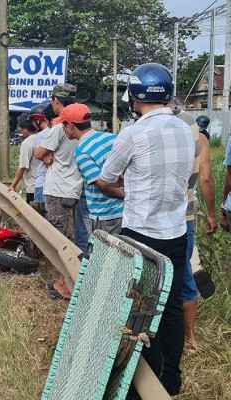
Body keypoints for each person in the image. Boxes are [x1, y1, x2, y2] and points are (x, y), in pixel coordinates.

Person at [99, 63, 194, 395]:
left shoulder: (133, 133)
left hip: (141, 235)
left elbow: (107, 177)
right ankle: (170, 380)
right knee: (170, 308)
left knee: (138, 310)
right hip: (177, 233)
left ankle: (142, 381)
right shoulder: (187, 129)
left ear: (135, 96)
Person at [169, 102, 218, 348]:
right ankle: (189, 338)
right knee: (186, 271)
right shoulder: (199, 140)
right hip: (186, 213)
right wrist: (211, 214)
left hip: (152, 217)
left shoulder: (147, 131)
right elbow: (206, 178)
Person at [35, 83, 83, 299]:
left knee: (61, 240)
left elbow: (39, 153)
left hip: (58, 189)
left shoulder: (60, 127)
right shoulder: (81, 126)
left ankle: (65, 286)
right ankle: (65, 282)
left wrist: (45, 155)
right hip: (73, 189)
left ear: (56, 101)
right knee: (70, 237)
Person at [57, 103, 124, 234]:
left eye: (63, 125)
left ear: (70, 125)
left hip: (105, 215)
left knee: (103, 254)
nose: (63, 129)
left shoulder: (82, 152)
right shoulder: (111, 138)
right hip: (126, 212)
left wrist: (127, 196)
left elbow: (103, 185)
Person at [9, 112, 40, 203]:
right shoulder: (43, 137)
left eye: (20, 128)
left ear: (26, 129)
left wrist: (13, 185)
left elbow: (22, 167)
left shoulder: (27, 142)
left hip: (33, 186)